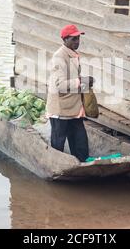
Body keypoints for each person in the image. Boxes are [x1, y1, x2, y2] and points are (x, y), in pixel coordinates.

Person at [46, 24, 94, 162]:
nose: (77, 42)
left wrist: (86, 83)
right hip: (60, 109)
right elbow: (60, 85)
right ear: (65, 40)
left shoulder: (73, 54)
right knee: (58, 143)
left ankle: (82, 163)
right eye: (74, 39)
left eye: (78, 38)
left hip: (73, 107)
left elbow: (73, 79)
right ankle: (56, 164)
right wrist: (81, 81)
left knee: (80, 143)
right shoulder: (59, 57)